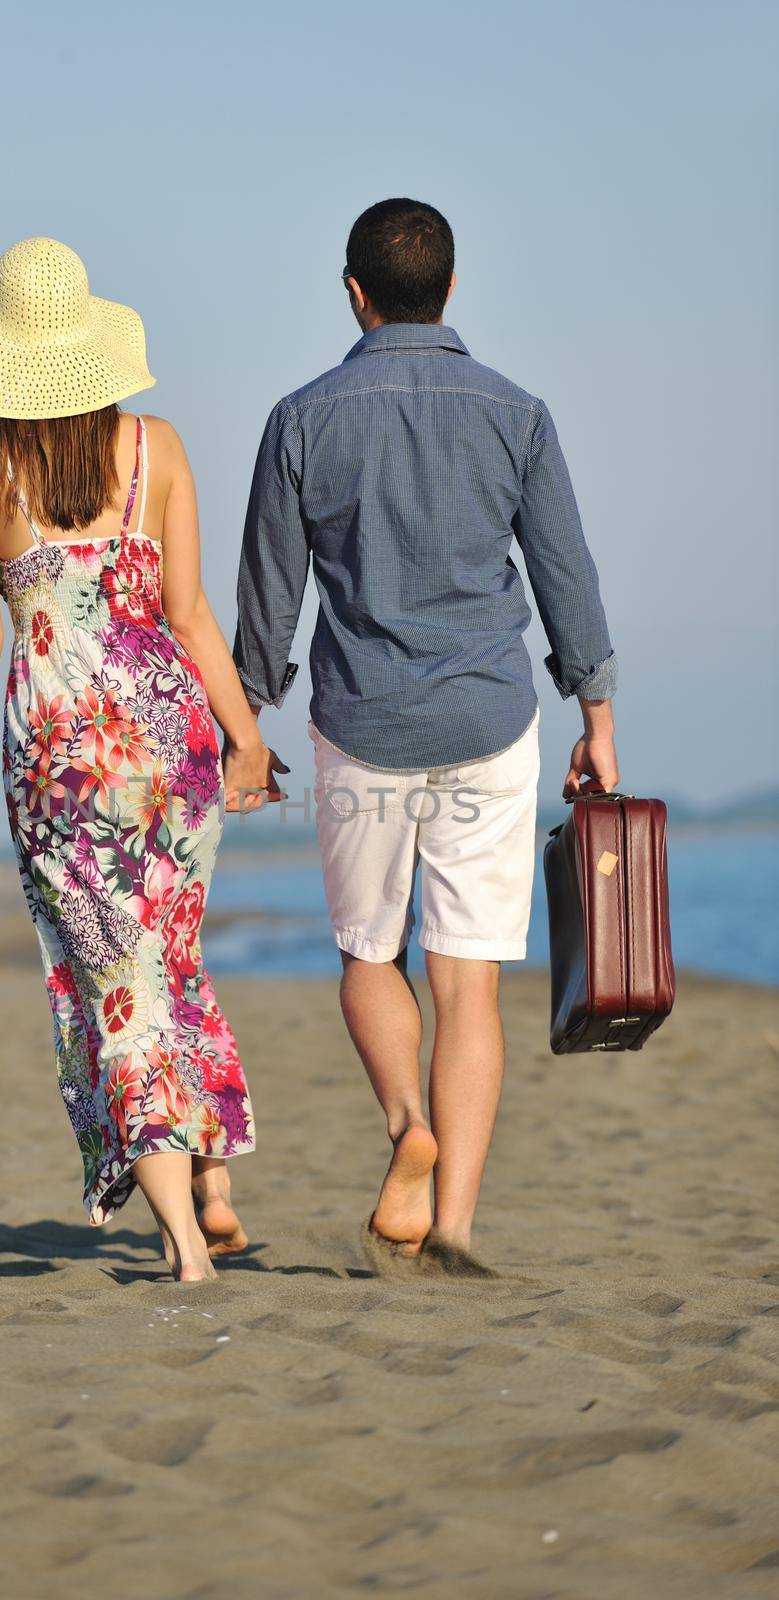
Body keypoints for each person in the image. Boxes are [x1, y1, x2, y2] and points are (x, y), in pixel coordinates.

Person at [234, 199, 618, 1269]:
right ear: (448, 290)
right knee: (467, 981)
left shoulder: (300, 417)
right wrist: (595, 714)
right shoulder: (515, 412)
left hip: (359, 724)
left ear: (353, 293)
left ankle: (408, 1122)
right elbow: (562, 576)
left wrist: (246, 723)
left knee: (368, 951)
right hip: (490, 723)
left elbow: (268, 601)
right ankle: (450, 1222)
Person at [0, 237, 284, 1282]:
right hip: (172, 749)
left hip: (61, 762)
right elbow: (190, 614)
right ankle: (210, 1186)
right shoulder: (154, 447)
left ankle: (182, 1245)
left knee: (113, 983)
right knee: (161, 962)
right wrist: (245, 736)